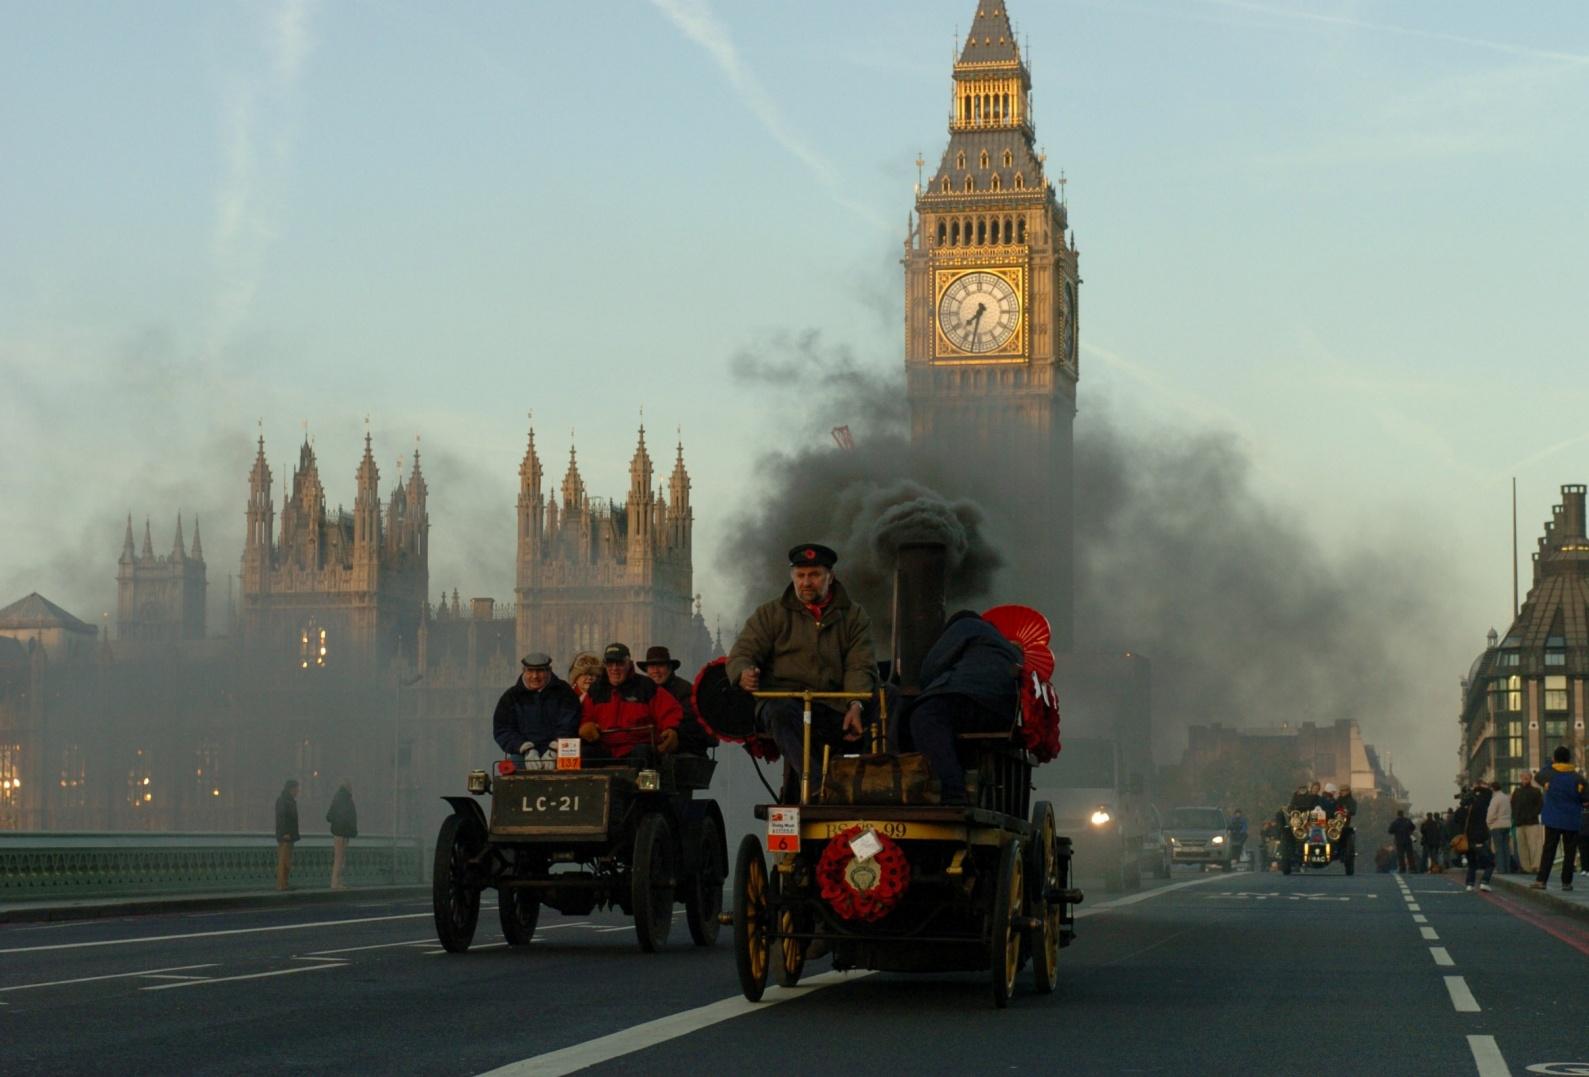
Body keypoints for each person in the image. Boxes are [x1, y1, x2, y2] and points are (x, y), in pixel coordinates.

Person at [726, 543, 878, 799]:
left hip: (835, 707)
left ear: (831, 577)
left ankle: (885, 781)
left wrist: (856, 704)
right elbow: (743, 652)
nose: (806, 582)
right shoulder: (770, 614)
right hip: (788, 705)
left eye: (814, 575)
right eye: (801, 575)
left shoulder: (853, 616)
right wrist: (743, 672)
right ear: (793, 577)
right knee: (778, 710)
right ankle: (820, 786)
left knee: (890, 699)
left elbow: (859, 664)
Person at [900, 610, 1022, 804]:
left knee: (924, 716)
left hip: (971, 697)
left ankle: (952, 792)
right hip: (1002, 712)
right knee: (944, 718)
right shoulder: (1006, 645)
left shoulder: (964, 625)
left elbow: (931, 668)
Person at [581, 643, 682, 762]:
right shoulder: (595, 690)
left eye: (619, 663)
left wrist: (671, 729)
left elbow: (670, 710)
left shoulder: (646, 687)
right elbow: (585, 716)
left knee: (642, 753)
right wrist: (585, 727)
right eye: (610, 663)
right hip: (605, 748)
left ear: (629, 664)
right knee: (584, 754)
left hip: (636, 748)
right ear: (605, 665)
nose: (614, 668)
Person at [493, 653, 582, 766]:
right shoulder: (511, 697)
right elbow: (503, 729)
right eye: (530, 671)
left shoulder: (564, 692)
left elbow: (570, 724)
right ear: (523, 671)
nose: (535, 676)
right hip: (524, 754)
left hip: (560, 751)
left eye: (540, 671)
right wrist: (525, 748)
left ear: (549, 670)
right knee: (514, 766)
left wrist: (555, 749)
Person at [639, 645, 717, 755]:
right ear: (647, 670)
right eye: (652, 666)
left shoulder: (685, 690)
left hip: (685, 747)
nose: (656, 671)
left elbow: (689, 722)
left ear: (670, 668)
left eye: (660, 666)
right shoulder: (642, 691)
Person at [1531, 746, 1588, 892]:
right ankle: (1566, 882)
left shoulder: (1548, 774)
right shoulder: (1578, 778)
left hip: (1553, 819)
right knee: (1570, 852)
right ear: (1569, 759)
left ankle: (1541, 880)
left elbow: (1537, 776)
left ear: (1554, 759)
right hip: (1572, 820)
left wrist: (1551, 764)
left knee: (1549, 849)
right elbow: (1586, 799)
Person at [1459, 783, 1495, 892]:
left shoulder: (1462, 808)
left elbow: (1457, 821)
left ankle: (1470, 884)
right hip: (1479, 837)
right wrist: (1478, 787)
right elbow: (1489, 792)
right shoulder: (1480, 803)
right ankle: (1484, 882)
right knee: (1490, 862)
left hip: (1467, 839)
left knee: (1472, 863)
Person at [326, 780, 357, 890]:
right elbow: (349, 817)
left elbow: (329, 816)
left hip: (338, 832)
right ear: (348, 787)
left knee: (339, 858)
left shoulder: (337, 799)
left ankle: (337, 882)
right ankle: (335, 883)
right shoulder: (346, 800)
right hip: (343, 833)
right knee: (340, 858)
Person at [1513, 772, 1544, 874]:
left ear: (1530, 778)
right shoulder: (1517, 792)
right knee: (1522, 847)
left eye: (1527, 777)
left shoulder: (1536, 791)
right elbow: (1513, 805)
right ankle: (1526, 868)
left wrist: (1531, 815)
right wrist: (1516, 817)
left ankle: (1536, 866)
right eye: (1523, 777)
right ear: (1521, 778)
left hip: (1532, 822)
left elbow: (1540, 806)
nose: (1525, 778)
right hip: (1520, 823)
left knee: (1534, 846)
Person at [275, 779, 300, 891]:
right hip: (286, 835)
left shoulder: (289, 801)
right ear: (291, 789)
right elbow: (281, 818)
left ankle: (285, 883)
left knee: (287, 861)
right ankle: (281, 884)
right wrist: (284, 833)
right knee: (283, 861)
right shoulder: (284, 801)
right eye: (296, 789)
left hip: (290, 835)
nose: (298, 791)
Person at [1485, 777, 1513, 874]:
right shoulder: (1506, 797)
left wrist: (1488, 823)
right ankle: (1507, 868)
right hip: (1507, 824)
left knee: (1498, 848)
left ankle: (1501, 869)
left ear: (1492, 789)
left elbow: (1491, 813)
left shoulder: (1495, 799)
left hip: (1497, 825)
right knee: (1506, 847)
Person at [1388, 810, 1417, 874]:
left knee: (1400, 855)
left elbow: (1390, 831)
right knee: (1410, 855)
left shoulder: (1395, 822)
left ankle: (1402, 868)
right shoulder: (1407, 821)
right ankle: (1412, 868)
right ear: (1403, 814)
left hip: (1399, 841)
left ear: (1398, 814)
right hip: (1408, 840)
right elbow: (1413, 827)